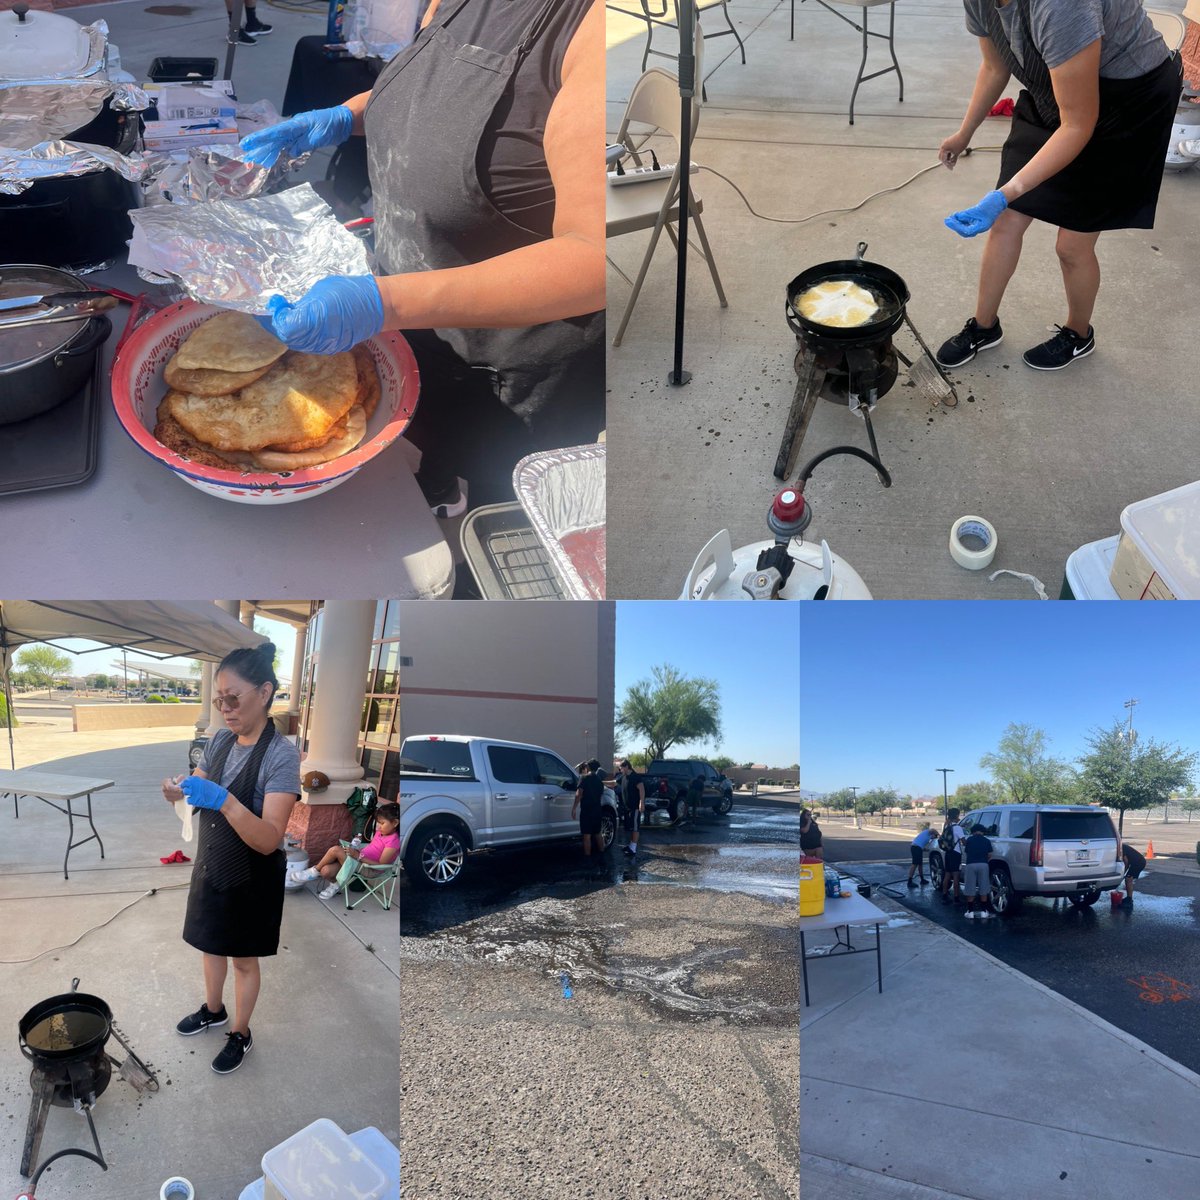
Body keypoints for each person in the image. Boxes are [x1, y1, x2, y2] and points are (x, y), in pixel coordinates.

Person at [239, 0, 604, 520]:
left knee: (491, 502)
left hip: (509, 369)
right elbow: (427, 99)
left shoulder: (594, 26)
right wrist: (348, 116)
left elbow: (595, 257)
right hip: (409, 321)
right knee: (417, 454)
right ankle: (436, 483)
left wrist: (384, 303)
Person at [936, 0, 1180, 372]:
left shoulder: (1062, 6)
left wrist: (1008, 192)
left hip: (1128, 102)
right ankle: (984, 327)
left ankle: (1078, 334)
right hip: (1059, 87)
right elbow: (995, 64)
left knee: (1072, 245)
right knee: (1005, 220)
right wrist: (964, 132)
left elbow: (1078, 124)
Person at [161, 644, 300, 1076]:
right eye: (219, 699)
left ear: (264, 692)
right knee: (209, 944)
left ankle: (240, 1031)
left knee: (242, 959)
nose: (225, 708)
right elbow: (197, 786)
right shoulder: (220, 740)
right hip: (212, 865)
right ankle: (213, 1009)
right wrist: (178, 791)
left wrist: (225, 800)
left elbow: (269, 839)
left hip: (252, 878)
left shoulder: (282, 756)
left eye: (233, 697)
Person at [287, 803, 401, 899]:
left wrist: (358, 856)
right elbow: (373, 848)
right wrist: (356, 848)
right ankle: (335, 885)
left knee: (336, 850)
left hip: (369, 869)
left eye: (382, 823)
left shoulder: (393, 842)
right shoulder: (380, 833)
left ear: (395, 823)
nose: (378, 826)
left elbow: (382, 864)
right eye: (378, 822)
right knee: (326, 871)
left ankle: (313, 871)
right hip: (359, 860)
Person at [571, 760, 606, 857]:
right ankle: (602, 855)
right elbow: (601, 794)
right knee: (598, 833)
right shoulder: (599, 781)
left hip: (587, 811)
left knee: (587, 835)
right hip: (597, 810)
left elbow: (579, 794)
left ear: (588, 767)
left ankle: (587, 858)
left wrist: (574, 808)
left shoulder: (584, 778)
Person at [961, 822, 994, 919]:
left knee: (970, 887)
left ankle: (970, 911)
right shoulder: (986, 840)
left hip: (970, 864)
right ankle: (984, 911)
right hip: (983, 864)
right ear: (982, 831)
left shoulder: (969, 840)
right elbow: (989, 855)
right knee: (983, 887)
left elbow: (967, 852)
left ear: (973, 831)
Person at [618, 759, 645, 858]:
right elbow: (614, 783)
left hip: (635, 807)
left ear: (626, 767)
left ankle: (633, 849)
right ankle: (630, 845)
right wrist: (601, 782)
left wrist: (641, 802)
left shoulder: (635, 777)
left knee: (635, 827)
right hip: (627, 807)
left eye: (621, 768)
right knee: (630, 827)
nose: (620, 770)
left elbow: (641, 789)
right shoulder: (624, 777)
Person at [940, 809, 967, 905]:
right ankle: (956, 898)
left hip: (948, 852)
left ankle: (944, 896)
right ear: (956, 816)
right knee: (956, 876)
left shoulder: (947, 825)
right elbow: (964, 842)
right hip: (956, 853)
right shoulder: (957, 828)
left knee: (947, 875)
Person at [1119, 840, 1147, 906]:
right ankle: (1129, 898)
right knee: (1128, 879)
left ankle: (1129, 899)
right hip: (1139, 861)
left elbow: (1126, 862)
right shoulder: (1122, 846)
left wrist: (1122, 874)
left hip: (1138, 863)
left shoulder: (1121, 849)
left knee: (1128, 879)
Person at [907, 821, 935, 887]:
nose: (934, 837)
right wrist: (939, 835)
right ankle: (909, 881)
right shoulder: (928, 832)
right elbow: (933, 830)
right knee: (914, 864)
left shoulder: (927, 837)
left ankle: (922, 880)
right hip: (916, 848)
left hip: (916, 848)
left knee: (920, 865)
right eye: (934, 836)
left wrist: (928, 850)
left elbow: (921, 846)